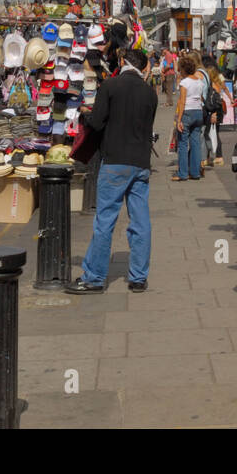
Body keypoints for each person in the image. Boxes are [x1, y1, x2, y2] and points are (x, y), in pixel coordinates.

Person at [66, 46, 157, 294]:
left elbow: (97, 122)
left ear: (122, 61)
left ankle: (94, 277)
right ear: (143, 68)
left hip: (115, 161)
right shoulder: (150, 93)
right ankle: (138, 277)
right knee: (140, 220)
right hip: (140, 163)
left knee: (105, 220)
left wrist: (86, 112)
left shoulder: (110, 86)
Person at [172, 52, 206, 182]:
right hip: (198, 112)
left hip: (187, 112)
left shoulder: (185, 82)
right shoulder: (199, 82)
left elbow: (182, 101)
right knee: (196, 143)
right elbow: (201, 98)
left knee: (182, 143)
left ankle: (183, 173)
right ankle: (195, 172)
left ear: (183, 70)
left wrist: (178, 119)